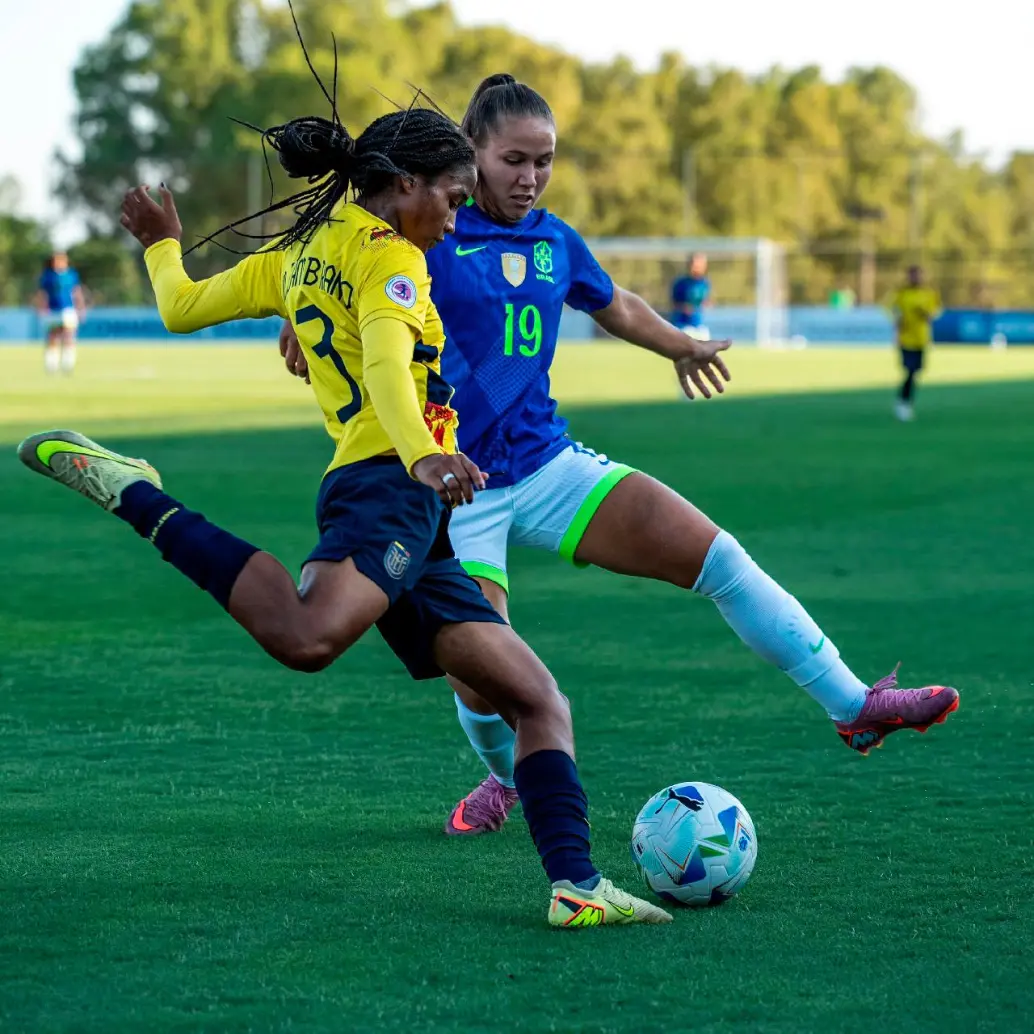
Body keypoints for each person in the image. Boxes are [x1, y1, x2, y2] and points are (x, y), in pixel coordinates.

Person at [17, 104, 670, 928]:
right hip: (387, 486)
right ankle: (137, 493)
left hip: (411, 506)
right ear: (405, 186)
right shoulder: (395, 260)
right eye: (452, 196)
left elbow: (181, 307)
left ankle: (576, 887)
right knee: (306, 636)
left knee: (536, 698)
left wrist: (160, 244)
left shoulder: (299, 253)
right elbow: (395, 373)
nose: (457, 215)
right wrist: (421, 453)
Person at [279, 74, 960, 838]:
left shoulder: (553, 241)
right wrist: (303, 325)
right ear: (470, 155)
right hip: (450, 487)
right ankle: (505, 780)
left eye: (544, 161)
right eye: (514, 160)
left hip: (545, 465)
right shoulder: (427, 230)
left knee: (718, 557)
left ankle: (853, 704)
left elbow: (617, 305)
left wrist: (681, 346)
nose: (530, 177)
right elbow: (345, 271)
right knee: (481, 676)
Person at [887, 265, 942, 421]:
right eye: (912, 275)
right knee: (909, 371)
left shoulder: (928, 293)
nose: (915, 278)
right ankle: (903, 403)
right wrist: (898, 323)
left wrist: (923, 313)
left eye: (918, 275)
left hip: (921, 339)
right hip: (906, 339)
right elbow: (893, 311)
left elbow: (932, 315)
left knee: (916, 372)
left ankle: (905, 401)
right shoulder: (901, 294)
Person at [35, 252, 85, 374]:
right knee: (53, 337)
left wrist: (81, 307)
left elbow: (76, 291)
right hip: (53, 310)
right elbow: (43, 294)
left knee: (69, 336)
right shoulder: (48, 276)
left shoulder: (71, 274)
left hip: (68, 309)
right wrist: (41, 308)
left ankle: (68, 364)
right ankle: (51, 365)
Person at [670, 252, 711, 339]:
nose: (697, 268)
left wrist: (706, 304)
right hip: (682, 325)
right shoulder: (681, 283)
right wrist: (684, 308)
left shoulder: (704, 283)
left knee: (705, 341)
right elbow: (674, 304)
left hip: (698, 324)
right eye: (695, 265)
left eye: (701, 265)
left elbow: (704, 301)